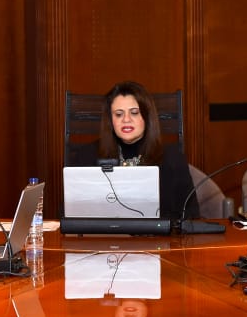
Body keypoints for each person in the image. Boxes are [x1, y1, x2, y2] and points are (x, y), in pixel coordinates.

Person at [67, 82, 198, 219]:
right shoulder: (86, 156)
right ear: (110, 121)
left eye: (134, 113)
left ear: (147, 117)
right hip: (102, 232)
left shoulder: (173, 159)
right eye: (118, 114)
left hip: (157, 233)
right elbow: (69, 213)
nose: (126, 119)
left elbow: (191, 216)